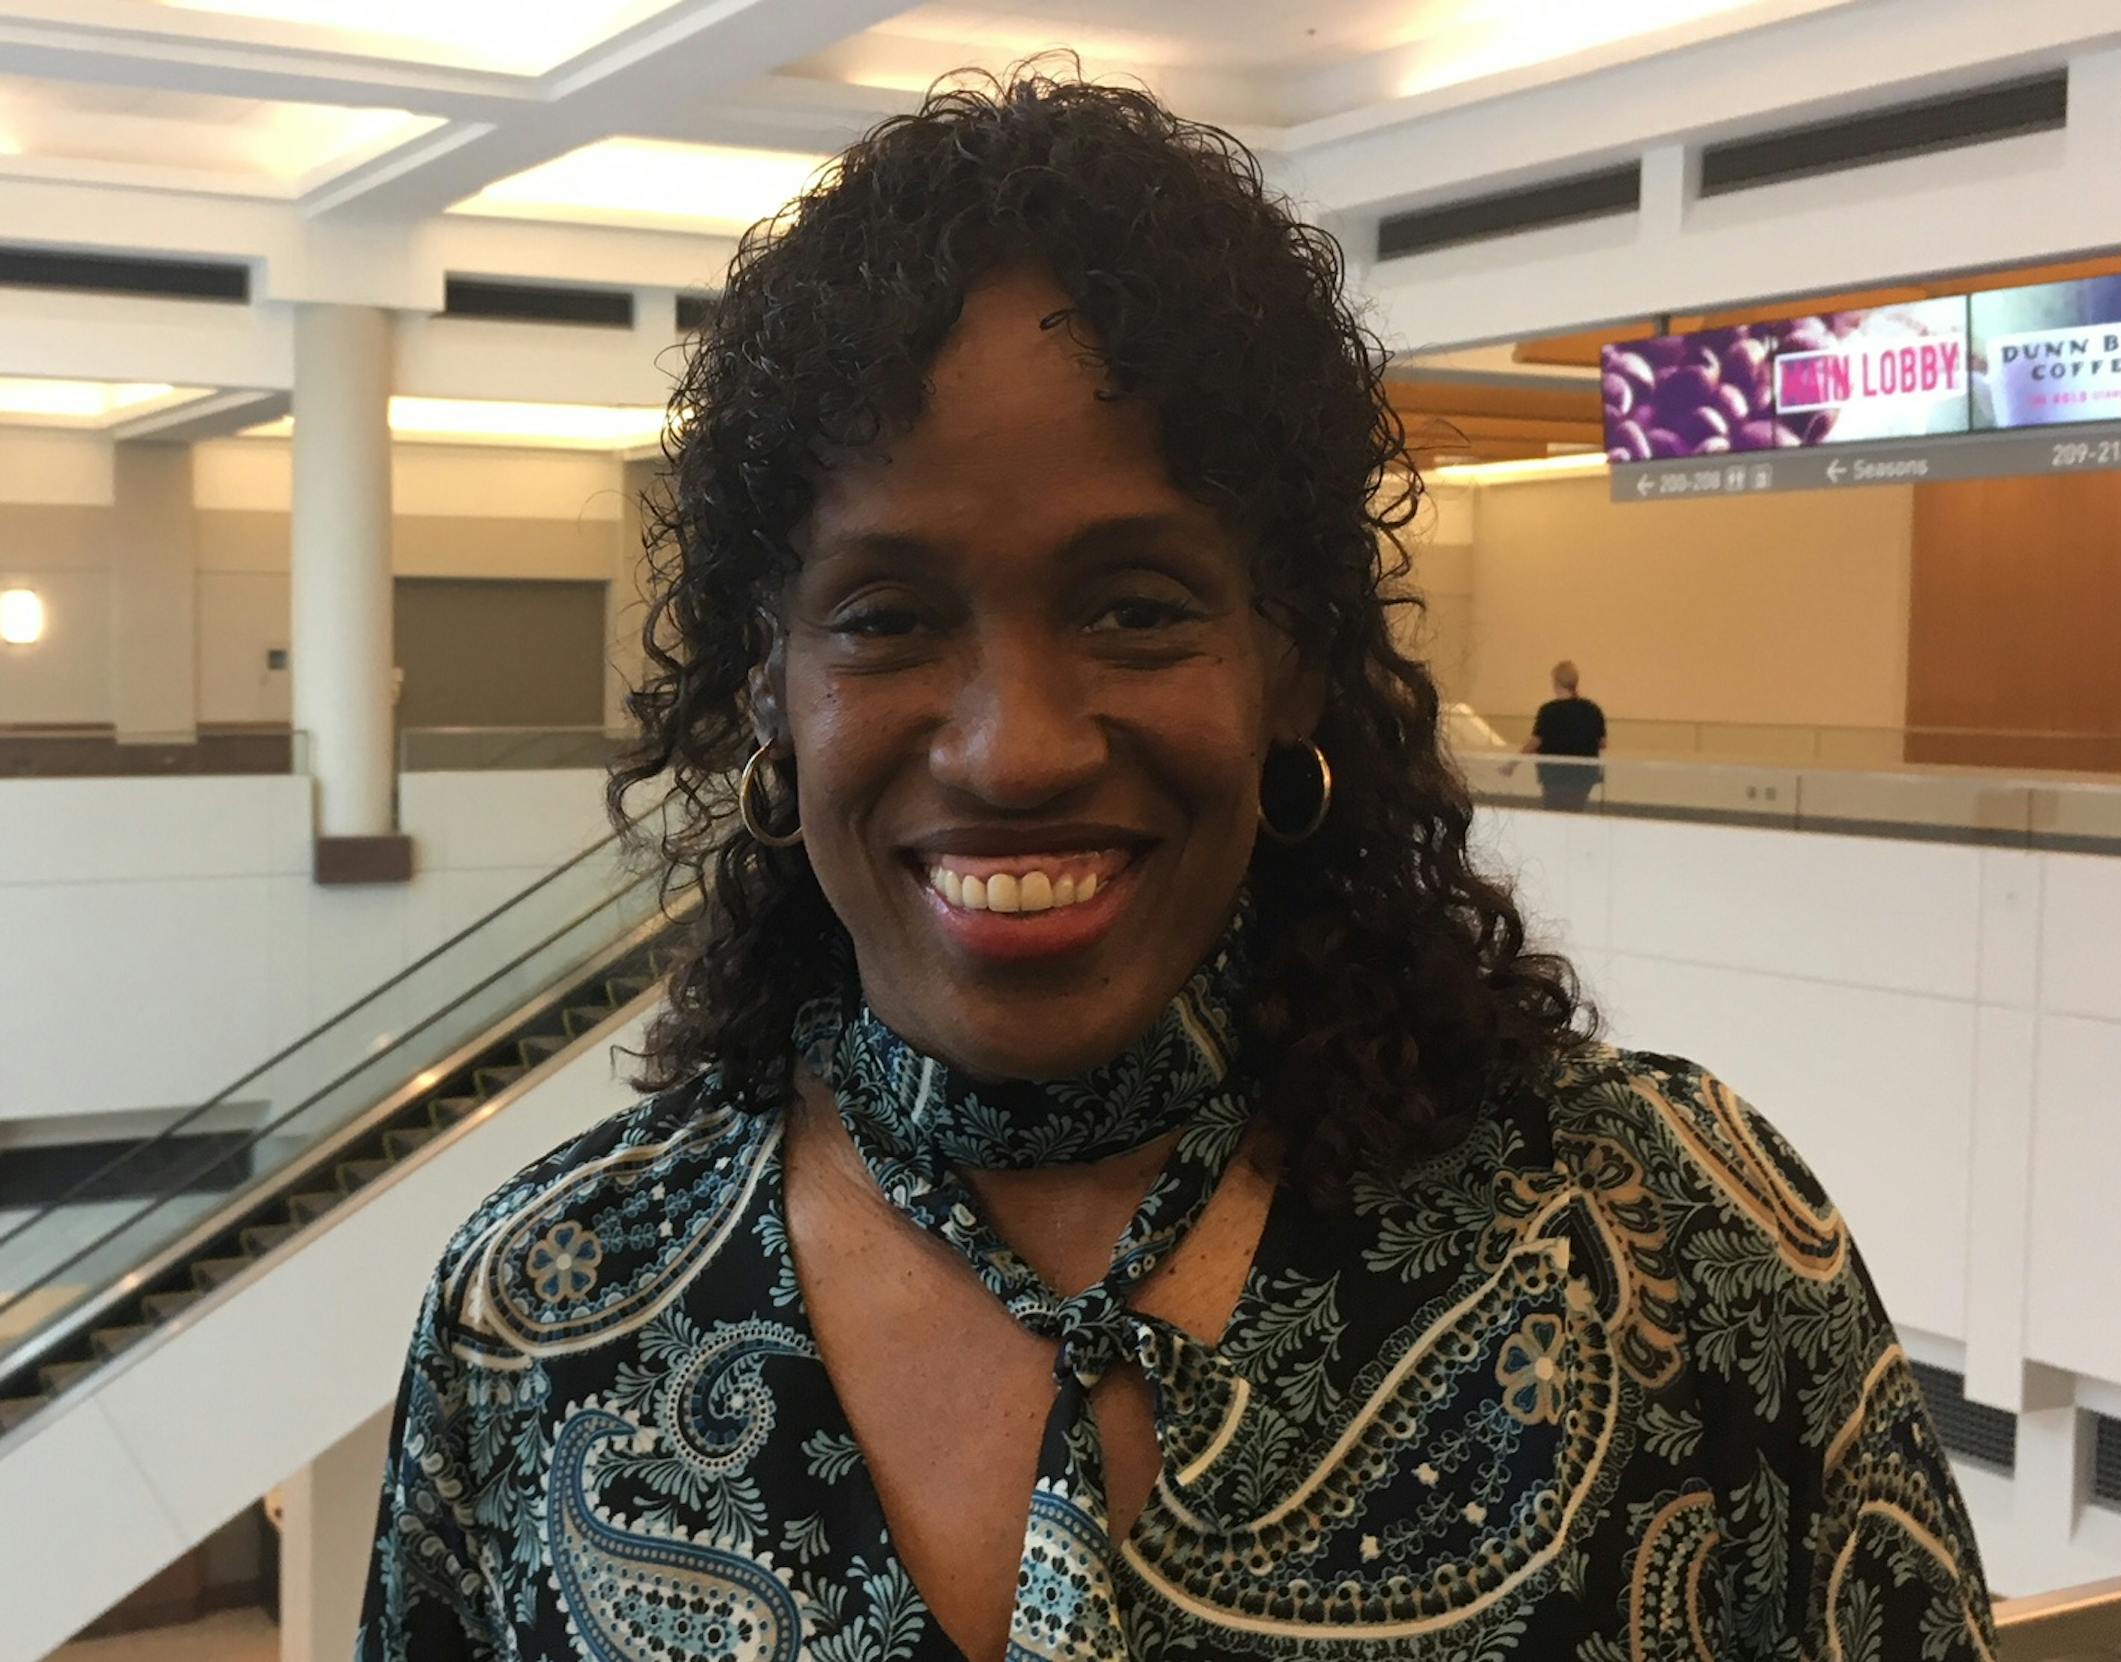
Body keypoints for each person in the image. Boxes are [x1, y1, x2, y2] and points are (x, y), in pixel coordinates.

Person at [359, 71, 1995, 1662]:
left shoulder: (1669, 1241)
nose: (1015, 748)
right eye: (889, 618)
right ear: (769, 690)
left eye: (1134, 604)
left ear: (1294, 656)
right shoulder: (549, 1319)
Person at [1523, 659, 1606, 811]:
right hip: (1583, 776)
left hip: (1553, 775)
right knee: (1575, 810)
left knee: (1554, 810)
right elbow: (1602, 743)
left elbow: (1536, 741)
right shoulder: (1592, 710)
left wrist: (1512, 763)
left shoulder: (1548, 711)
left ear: (1556, 683)